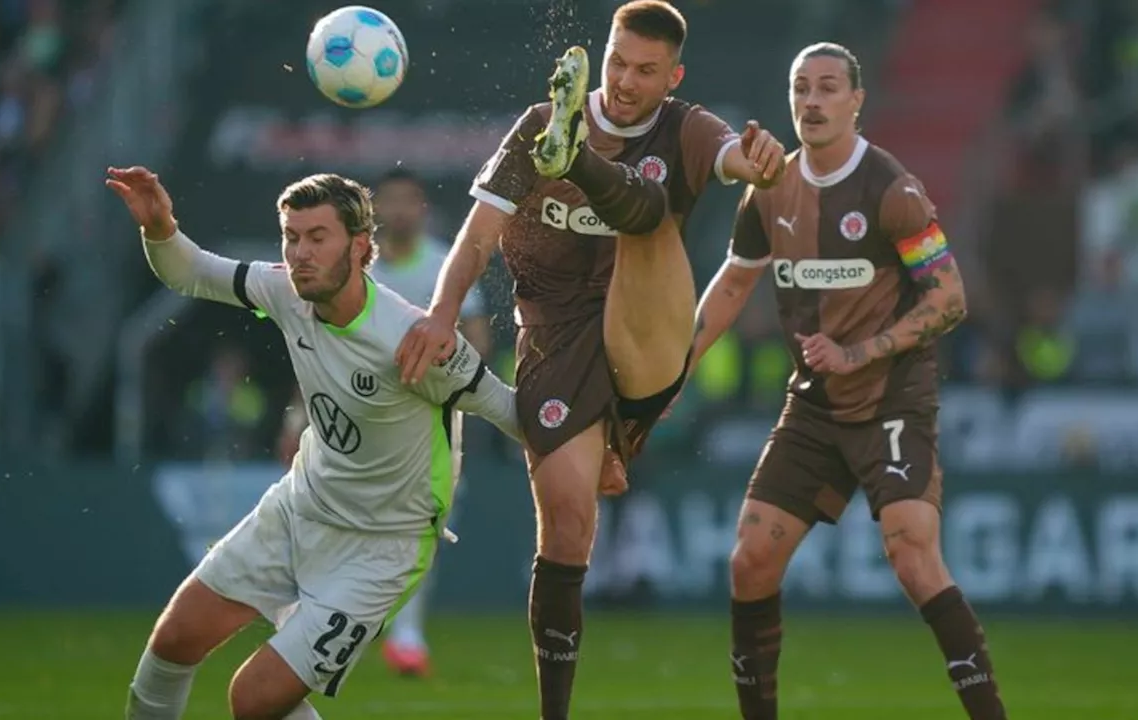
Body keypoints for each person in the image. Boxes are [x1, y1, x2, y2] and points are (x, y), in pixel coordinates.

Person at [395, 2, 785, 717]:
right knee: (570, 523)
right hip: (552, 336)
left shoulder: (687, 126)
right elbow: (479, 237)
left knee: (652, 211)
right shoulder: (535, 123)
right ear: (602, 53)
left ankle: (578, 163)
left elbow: (732, 156)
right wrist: (443, 313)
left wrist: (754, 160)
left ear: (675, 75)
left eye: (645, 70)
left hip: (646, 325)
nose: (627, 80)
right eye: (616, 62)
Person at [107, 166, 522, 720]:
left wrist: (600, 452)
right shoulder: (285, 291)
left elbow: (506, 408)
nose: (300, 253)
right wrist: (160, 228)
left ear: (360, 247)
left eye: (317, 238)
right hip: (300, 508)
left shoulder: (410, 339)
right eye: (292, 237)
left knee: (253, 699)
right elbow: (190, 274)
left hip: (381, 549)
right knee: (173, 642)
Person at [687, 43, 1006, 720]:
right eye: (801, 87)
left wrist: (860, 353)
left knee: (912, 553)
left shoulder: (892, 189)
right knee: (748, 563)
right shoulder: (769, 187)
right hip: (814, 406)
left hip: (891, 396)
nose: (811, 100)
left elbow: (950, 298)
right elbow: (737, 279)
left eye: (828, 88)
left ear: (856, 101)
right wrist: (674, 368)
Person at [370, 165, 492, 676]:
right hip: (368, 415)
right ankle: (355, 617)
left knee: (427, 525)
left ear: (421, 208)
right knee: (364, 525)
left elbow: (479, 337)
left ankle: (407, 634)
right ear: (373, 209)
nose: (399, 210)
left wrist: (461, 391)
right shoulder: (361, 272)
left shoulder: (445, 264)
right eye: (389, 200)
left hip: (432, 418)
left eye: (409, 200)